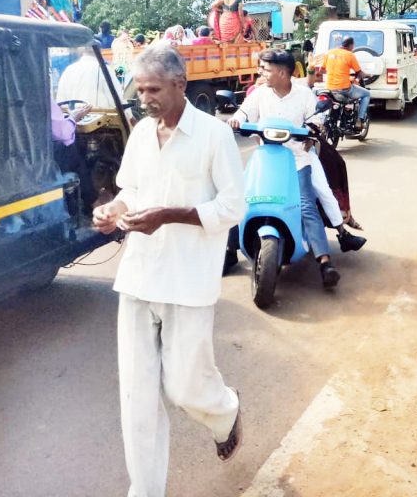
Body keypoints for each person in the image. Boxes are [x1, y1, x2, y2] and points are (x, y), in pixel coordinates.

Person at [93, 45, 247, 495]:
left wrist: (170, 215)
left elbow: (232, 206)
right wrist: (112, 210)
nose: (146, 98)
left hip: (188, 279)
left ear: (181, 85)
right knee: (137, 399)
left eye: (154, 89)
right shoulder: (141, 133)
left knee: (185, 388)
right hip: (139, 276)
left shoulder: (214, 136)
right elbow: (131, 190)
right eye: (140, 89)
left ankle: (226, 413)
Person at [227, 49, 364, 289]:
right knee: (238, 195)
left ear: (282, 72)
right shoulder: (259, 94)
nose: (262, 73)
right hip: (266, 155)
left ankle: (325, 262)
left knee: (307, 204)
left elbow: (317, 119)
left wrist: (312, 128)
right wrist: (235, 119)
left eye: (266, 69)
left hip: (299, 158)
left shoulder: (304, 95)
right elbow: (243, 112)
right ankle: (229, 250)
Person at [307, 37, 370, 131]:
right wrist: (368, 75)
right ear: (351, 45)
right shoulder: (350, 55)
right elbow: (360, 73)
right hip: (344, 89)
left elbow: (322, 70)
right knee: (366, 94)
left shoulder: (329, 53)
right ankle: (359, 120)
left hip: (330, 88)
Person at [56, 44, 126, 111]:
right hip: (99, 120)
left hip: (74, 120)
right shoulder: (104, 69)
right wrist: (129, 117)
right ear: (99, 50)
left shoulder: (69, 70)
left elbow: (61, 101)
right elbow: (117, 100)